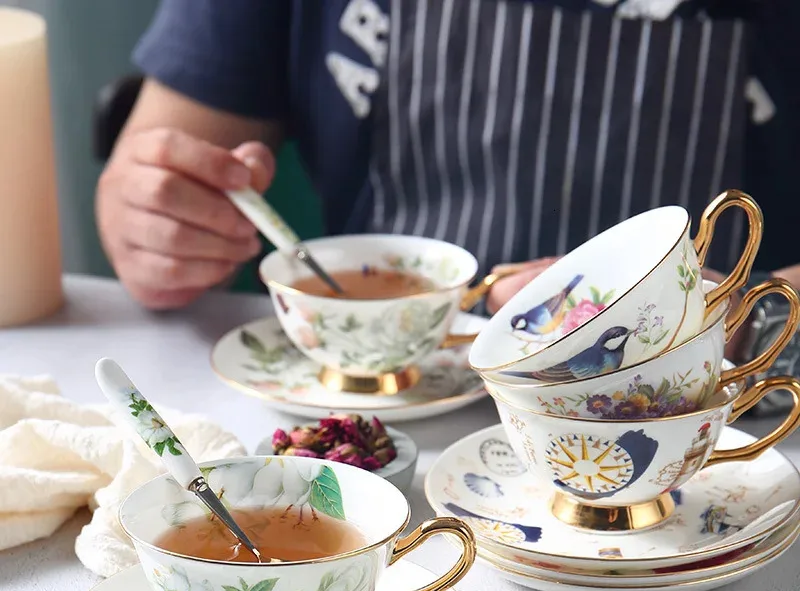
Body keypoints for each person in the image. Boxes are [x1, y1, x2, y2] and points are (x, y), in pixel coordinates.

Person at [96, 0, 800, 363]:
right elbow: (161, 166)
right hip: (381, 436)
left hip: (726, 428)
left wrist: (747, 319)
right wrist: (158, 225)